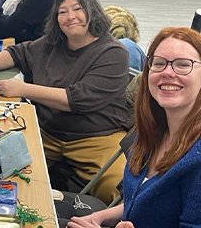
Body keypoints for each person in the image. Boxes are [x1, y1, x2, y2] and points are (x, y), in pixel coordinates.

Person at [0, 0, 129, 204]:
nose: (70, 17)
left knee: (119, 189)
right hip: (47, 132)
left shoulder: (113, 53)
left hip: (96, 137)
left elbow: (77, 99)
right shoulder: (52, 44)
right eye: (62, 12)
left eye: (77, 9)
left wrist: (23, 89)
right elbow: (18, 53)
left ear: (92, 11)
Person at [67, 27, 201, 228]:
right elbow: (142, 199)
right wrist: (101, 217)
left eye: (183, 65)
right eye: (159, 63)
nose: (168, 73)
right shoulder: (151, 131)